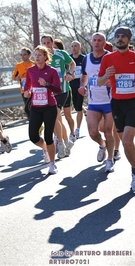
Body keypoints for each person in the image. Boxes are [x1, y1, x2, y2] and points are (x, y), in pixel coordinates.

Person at [97, 26, 135, 192]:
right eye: (117, 36)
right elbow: (98, 82)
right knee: (128, 145)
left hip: (133, 102)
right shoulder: (107, 59)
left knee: (126, 141)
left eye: (123, 36)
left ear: (129, 39)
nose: (120, 39)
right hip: (117, 104)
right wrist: (106, 75)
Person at [78, 32, 114, 173]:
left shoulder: (109, 57)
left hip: (110, 102)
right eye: (95, 40)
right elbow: (84, 76)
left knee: (108, 132)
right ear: (91, 43)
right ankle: (102, 145)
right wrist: (82, 86)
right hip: (93, 102)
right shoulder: (86, 59)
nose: (97, 42)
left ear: (104, 43)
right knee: (93, 132)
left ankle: (110, 160)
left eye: (100, 40)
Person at [24, 45, 62, 174]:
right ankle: (46, 149)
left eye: (40, 55)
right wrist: (27, 92)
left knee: (48, 136)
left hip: (49, 107)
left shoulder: (52, 71)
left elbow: (58, 89)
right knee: (33, 136)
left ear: (46, 57)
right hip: (35, 107)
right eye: (36, 55)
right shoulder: (30, 71)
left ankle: (52, 163)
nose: (37, 57)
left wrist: (46, 84)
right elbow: (27, 85)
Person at [41, 35, 75, 158]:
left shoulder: (61, 54)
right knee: (56, 120)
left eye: (48, 42)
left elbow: (72, 63)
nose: (46, 45)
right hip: (49, 92)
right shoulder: (41, 57)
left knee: (54, 117)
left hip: (62, 90)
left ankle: (61, 145)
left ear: (52, 42)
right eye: (43, 43)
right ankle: (66, 142)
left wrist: (70, 73)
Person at [12, 47, 34, 119]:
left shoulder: (33, 64)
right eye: (21, 54)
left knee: (33, 107)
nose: (22, 56)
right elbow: (13, 77)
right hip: (24, 90)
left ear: (29, 55)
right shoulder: (18, 66)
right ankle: (32, 122)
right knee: (27, 108)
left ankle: (36, 122)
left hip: (33, 89)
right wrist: (16, 78)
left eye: (24, 54)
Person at [70, 41, 85, 140]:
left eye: (76, 46)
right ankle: (86, 111)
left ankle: (78, 129)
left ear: (80, 47)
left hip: (80, 85)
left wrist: (85, 85)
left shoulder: (84, 59)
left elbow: (87, 72)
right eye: (72, 46)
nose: (74, 48)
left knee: (78, 108)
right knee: (76, 107)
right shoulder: (69, 59)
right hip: (71, 85)